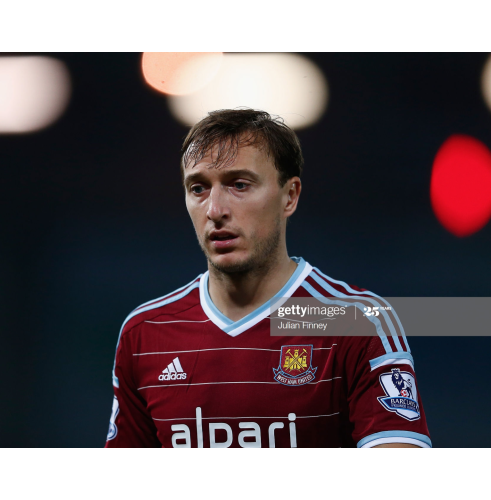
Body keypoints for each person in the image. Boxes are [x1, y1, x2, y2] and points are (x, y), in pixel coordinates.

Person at [105, 109, 431, 448]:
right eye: (199, 188)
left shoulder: (357, 321)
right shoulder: (145, 333)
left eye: (239, 185)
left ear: (289, 196)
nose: (215, 210)